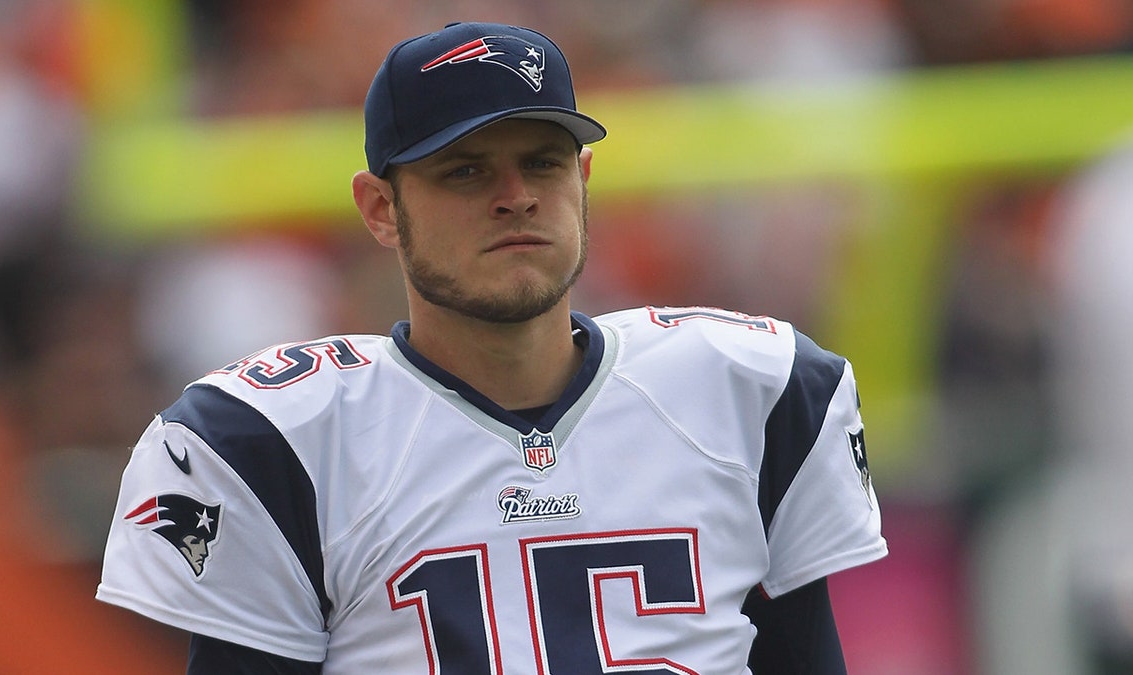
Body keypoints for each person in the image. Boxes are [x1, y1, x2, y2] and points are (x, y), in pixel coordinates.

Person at [97, 21, 887, 674]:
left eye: (542, 163)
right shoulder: (277, 442)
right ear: (380, 209)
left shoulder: (752, 390)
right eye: (465, 171)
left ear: (583, 178)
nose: (516, 196)